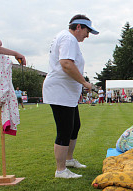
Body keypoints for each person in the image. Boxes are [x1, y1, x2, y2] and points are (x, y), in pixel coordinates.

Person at [42, 14, 99, 179]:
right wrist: (85, 83)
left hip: (66, 92)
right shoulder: (68, 39)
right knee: (65, 130)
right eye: (87, 31)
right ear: (79, 27)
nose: (87, 36)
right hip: (60, 91)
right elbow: (66, 63)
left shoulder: (67, 38)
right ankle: (60, 170)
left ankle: (68, 160)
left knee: (75, 126)